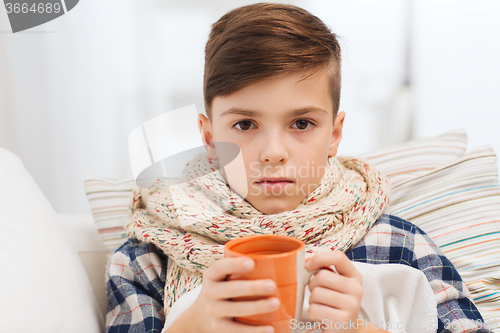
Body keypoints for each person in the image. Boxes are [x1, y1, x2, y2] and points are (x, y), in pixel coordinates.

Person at [105, 3, 490, 333]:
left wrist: (359, 328)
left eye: (302, 124)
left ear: (334, 135)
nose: (273, 152)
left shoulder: (399, 245)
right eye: (244, 125)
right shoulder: (148, 257)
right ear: (209, 139)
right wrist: (195, 323)